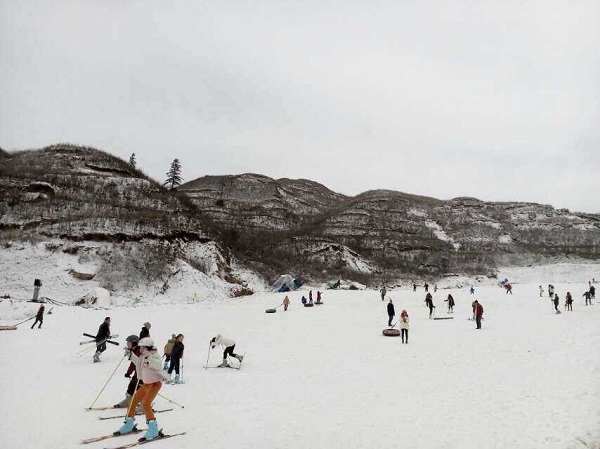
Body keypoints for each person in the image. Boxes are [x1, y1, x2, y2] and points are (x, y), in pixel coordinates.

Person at [114, 337, 170, 441]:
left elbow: (157, 366)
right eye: (140, 348)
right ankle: (128, 425)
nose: (141, 350)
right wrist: (130, 355)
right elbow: (138, 363)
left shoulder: (155, 355)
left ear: (148, 348)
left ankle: (153, 429)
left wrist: (149, 357)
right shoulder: (143, 356)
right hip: (146, 384)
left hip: (155, 384)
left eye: (143, 348)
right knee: (133, 401)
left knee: (146, 404)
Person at [114, 335, 143, 409]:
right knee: (131, 388)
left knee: (141, 391)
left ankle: (144, 405)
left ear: (134, 343)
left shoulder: (140, 351)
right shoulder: (133, 350)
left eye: (129, 342)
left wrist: (130, 355)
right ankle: (128, 401)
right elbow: (133, 364)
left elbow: (139, 363)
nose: (127, 344)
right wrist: (128, 373)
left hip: (143, 375)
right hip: (136, 375)